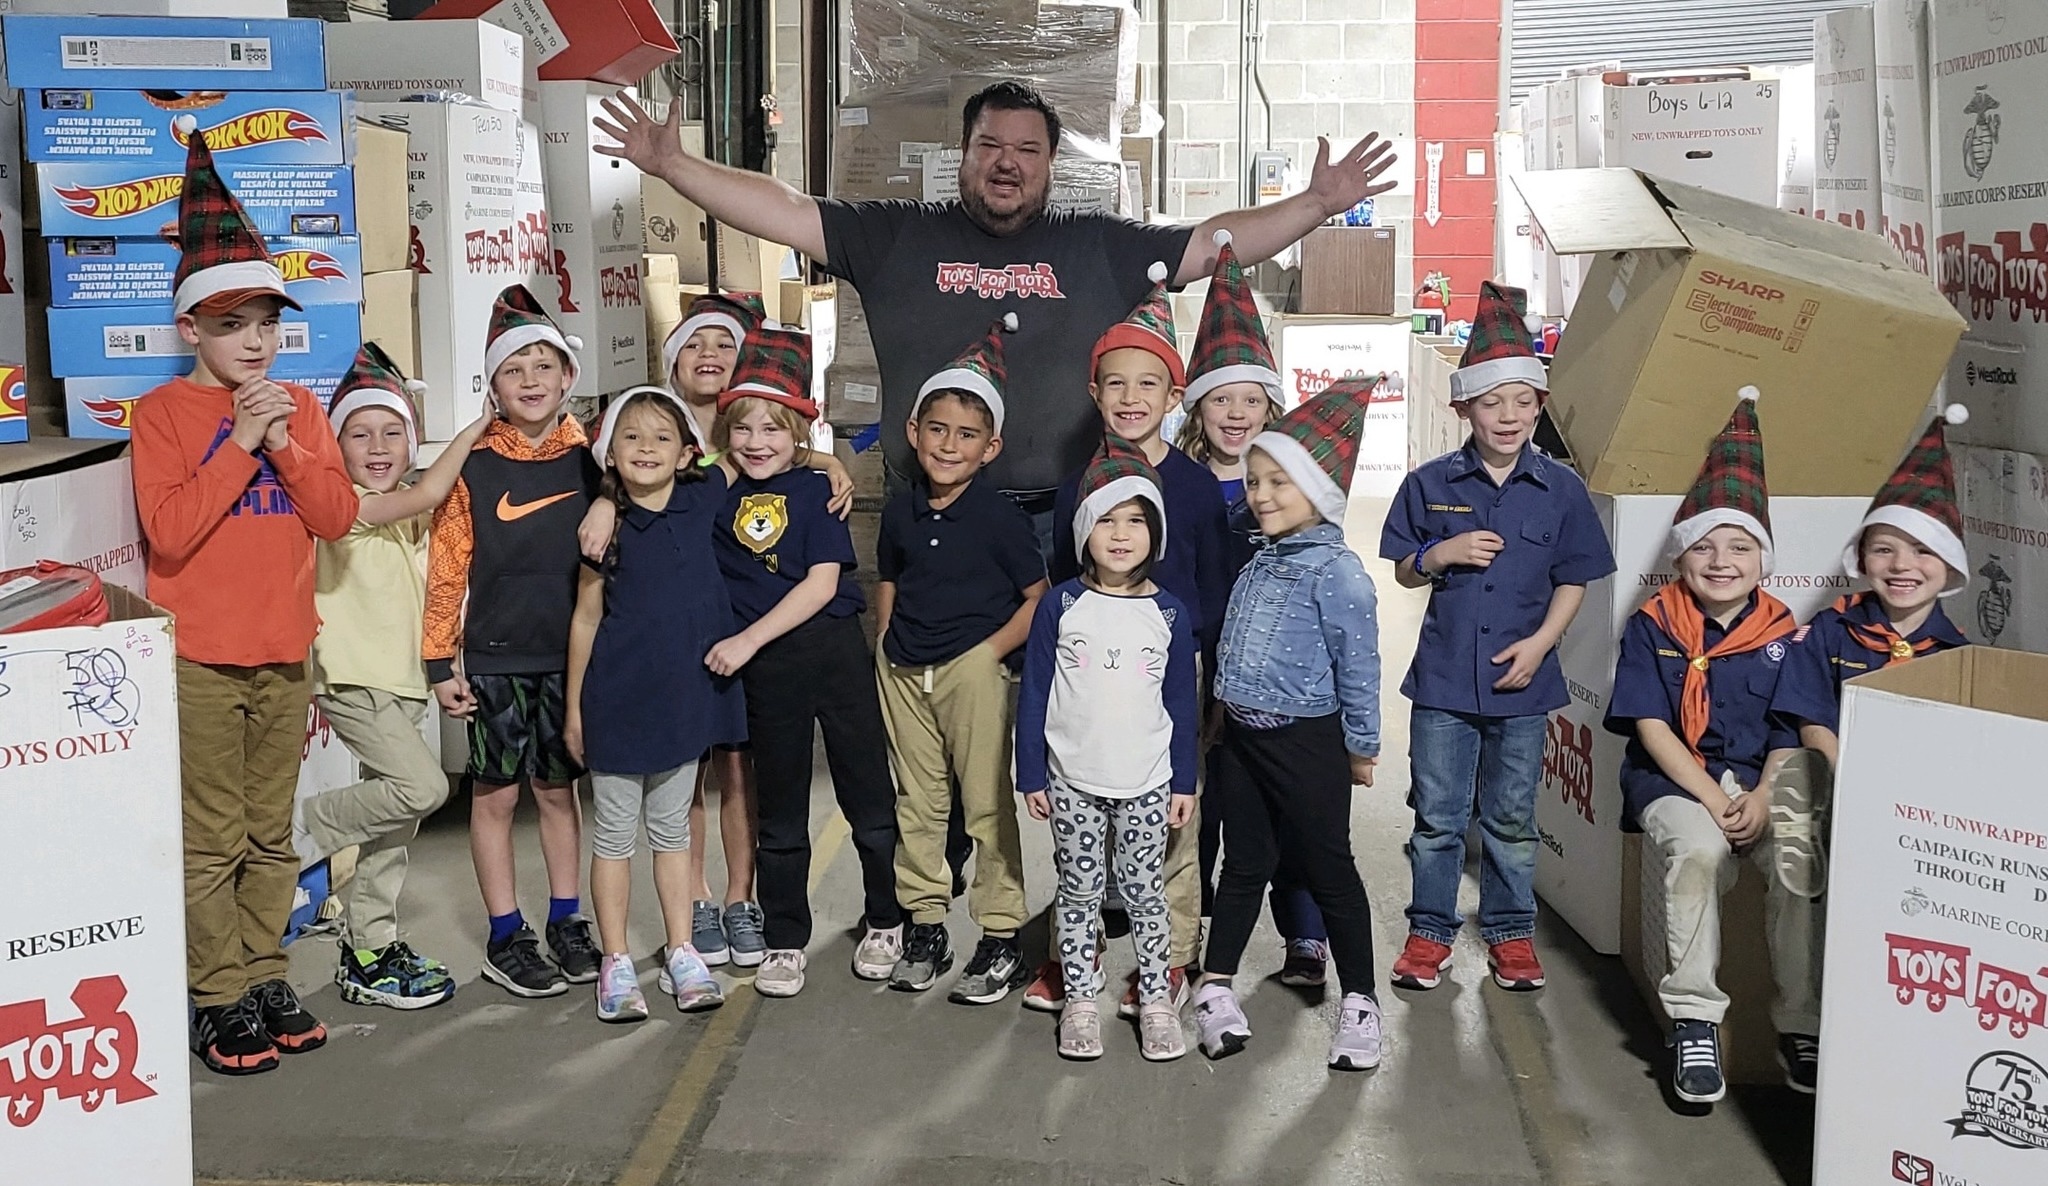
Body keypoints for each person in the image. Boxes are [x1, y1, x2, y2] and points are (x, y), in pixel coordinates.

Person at [594, 79, 1396, 537]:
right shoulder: (896, 236)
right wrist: (673, 165)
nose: (1006, 165)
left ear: (1050, 163)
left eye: (1027, 150)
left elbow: (1212, 241)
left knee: (1052, 729)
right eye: (990, 147)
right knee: (934, 718)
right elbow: (779, 208)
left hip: (1070, 518)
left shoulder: (1097, 247)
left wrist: (1313, 205)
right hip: (932, 511)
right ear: (964, 156)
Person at [132, 120, 359, 1076]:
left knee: (276, 832)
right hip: (199, 659)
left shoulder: (299, 406)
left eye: (267, 322)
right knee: (213, 837)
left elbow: (338, 514)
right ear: (192, 328)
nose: (256, 342)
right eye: (232, 326)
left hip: (283, 649)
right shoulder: (164, 414)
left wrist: (280, 441)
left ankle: (265, 971)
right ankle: (216, 992)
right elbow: (172, 532)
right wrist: (236, 444)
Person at [1379, 283, 1615, 994]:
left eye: (1522, 401)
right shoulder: (1429, 485)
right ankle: (1429, 932)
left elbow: (1576, 577)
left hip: (1522, 687)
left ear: (1540, 405)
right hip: (1445, 685)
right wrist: (1438, 556)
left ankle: (1511, 935)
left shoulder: (1562, 491)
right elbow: (1402, 568)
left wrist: (1543, 643)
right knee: (1437, 815)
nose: (1507, 416)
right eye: (1491, 402)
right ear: (1463, 408)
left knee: (1512, 820)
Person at [1023, 267, 1227, 1017]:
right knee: (1077, 830)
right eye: (1116, 384)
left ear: (1176, 398)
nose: (1132, 398)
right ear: (1094, 394)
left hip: (1170, 675)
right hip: (1087, 680)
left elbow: (1214, 592)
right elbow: (1058, 587)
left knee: (1172, 822)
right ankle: (1067, 957)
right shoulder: (1077, 484)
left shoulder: (1200, 491)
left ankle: (1167, 960)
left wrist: (1209, 692)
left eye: (1150, 384)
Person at [1602, 389, 1814, 1108]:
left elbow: (1790, 729)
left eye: (1739, 546)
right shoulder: (1653, 624)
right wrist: (1716, 799)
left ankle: (1800, 1021)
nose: (1721, 561)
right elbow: (1652, 728)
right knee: (1697, 850)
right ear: (1682, 555)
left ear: (1763, 558)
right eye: (1704, 546)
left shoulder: (1785, 632)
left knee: (1799, 854)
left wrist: (1759, 796)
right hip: (1675, 782)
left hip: (1762, 778)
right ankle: (1694, 1016)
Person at [1759, 404, 1972, 1092]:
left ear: (1950, 566)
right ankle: (1803, 1023)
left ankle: (1905, 1022)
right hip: (1828, 777)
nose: (1902, 567)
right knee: (1799, 857)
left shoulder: (1959, 656)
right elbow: (1808, 718)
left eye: (1922, 552)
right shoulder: (1831, 631)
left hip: (1918, 803)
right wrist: (1853, 779)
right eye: (1885, 549)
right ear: (1862, 560)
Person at [1192, 379, 1386, 1073]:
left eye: (1280, 482)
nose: (1261, 494)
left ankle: (1361, 999)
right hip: (1242, 740)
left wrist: (1360, 749)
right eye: (1254, 480)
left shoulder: (1340, 575)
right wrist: (1218, 719)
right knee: (1244, 861)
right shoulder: (1260, 564)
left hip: (1306, 745)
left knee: (1328, 866)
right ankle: (1215, 986)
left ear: (1320, 491)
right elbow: (1236, 649)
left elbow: (1359, 668)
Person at [707, 324, 906, 999]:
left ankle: (886, 917)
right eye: (744, 427)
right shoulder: (716, 495)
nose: (757, 440)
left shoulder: (818, 492)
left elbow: (822, 583)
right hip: (769, 674)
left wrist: (745, 641)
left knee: (867, 795)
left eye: (772, 427)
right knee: (781, 809)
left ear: (798, 431)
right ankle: (786, 937)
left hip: (828, 650)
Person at [424, 285, 603, 999]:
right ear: (493, 385)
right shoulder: (472, 465)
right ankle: (506, 932)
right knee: (495, 797)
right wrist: (441, 660)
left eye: (544, 366)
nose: (531, 381)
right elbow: (447, 567)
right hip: (496, 661)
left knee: (559, 793)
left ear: (568, 377)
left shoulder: (594, 461)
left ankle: (567, 919)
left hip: (574, 660)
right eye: (514, 369)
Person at [304, 343, 487, 1012]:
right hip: (352, 677)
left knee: (396, 827)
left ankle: (368, 948)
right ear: (337, 443)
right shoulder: (338, 503)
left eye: (392, 432)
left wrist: (447, 668)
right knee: (423, 789)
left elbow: (435, 598)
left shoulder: (411, 513)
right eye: (359, 432)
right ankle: (308, 826)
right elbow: (436, 485)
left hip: (407, 680)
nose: (376, 447)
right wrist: (480, 422)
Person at [874, 315, 1050, 1003]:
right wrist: (886, 643)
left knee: (983, 806)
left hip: (972, 671)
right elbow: (888, 575)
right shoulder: (900, 509)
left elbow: (1038, 599)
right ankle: (925, 923)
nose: (949, 446)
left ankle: (1000, 932)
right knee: (918, 802)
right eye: (938, 429)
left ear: (990, 447)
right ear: (915, 431)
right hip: (902, 670)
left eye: (967, 436)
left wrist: (985, 656)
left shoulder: (1000, 519)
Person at [1176, 227, 1330, 989]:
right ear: (1197, 407)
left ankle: (1304, 935)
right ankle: (1199, 930)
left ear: (1271, 406)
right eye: (1221, 401)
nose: (1235, 415)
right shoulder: (1180, 484)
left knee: (1283, 803)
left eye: (1250, 401)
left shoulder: (1293, 487)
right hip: (1203, 666)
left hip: (1281, 675)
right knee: (1203, 807)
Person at [565, 386, 744, 1021]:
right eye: (630, 437)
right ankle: (615, 961)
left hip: (686, 697)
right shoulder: (601, 532)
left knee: (672, 832)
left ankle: (681, 949)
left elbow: (765, 447)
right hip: (616, 697)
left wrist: (832, 463)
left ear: (686, 451)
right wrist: (574, 711)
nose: (646, 449)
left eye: (662, 438)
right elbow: (586, 620)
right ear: (608, 451)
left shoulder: (703, 497)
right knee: (613, 834)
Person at [1017, 436, 1198, 1061]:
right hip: (1072, 780)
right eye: (1105, 520)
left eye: (1136, 521)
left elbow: (1181, 706)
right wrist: (1031, 772)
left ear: (1156, 533)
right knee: (1078, 891)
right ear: (1083, 531)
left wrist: (1184, 780)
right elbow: (1036, 689)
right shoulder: (1062, 606)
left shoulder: (1169, 615)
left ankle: (1154, 998)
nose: (1120, 535)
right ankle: (1081, 1001)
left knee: (1146, 891)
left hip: (1146, 780)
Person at [657, 289, 771, 968]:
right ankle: (696, 896)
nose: (709, 356)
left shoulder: (756, 438)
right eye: (694, 344)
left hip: (743, 622)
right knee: (686, 772)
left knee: (739, 766)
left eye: (724, 345)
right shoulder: (652, 435)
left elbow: (794, 456)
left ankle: (739, 897)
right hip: (679, 627)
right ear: (671, 363)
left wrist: (828, 460)